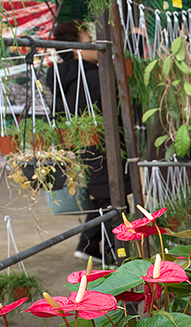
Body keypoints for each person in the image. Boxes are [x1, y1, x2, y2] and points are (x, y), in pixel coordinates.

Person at [44, 19, 121, 263]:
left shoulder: (61, 76)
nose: (96, 46)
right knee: (111, 200)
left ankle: (87, 246)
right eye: (90, 42)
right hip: (100, 149)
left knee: (100, 198)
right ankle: (114, 254)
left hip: (82, 149)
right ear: (76, 49)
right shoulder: (89, 78)